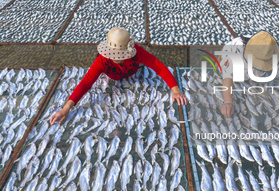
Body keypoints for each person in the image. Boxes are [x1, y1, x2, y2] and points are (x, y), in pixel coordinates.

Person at [50, 27, 188, 125]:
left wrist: (175, 90)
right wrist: (66, 108)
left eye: (119, 55)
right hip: (113, 78)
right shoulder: (102, 60)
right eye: (112, 54)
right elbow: (86, 83)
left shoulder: (137, 52)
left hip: (133, 73)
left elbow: (159, 67)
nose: (114, 57)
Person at [219, 30, 279, 118]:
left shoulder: (272, 52)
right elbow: (228, 77)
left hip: (250, 68)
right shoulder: (235, 51)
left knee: (253, 74)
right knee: (223, 68)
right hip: (229, 54)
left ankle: (251, 75)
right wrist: (228, 102)